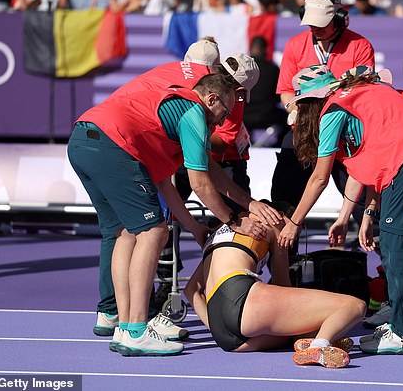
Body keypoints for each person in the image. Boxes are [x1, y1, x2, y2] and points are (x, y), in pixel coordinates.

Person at [68, 71, 281, 356]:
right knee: (154, 231)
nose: (222, 121)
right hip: (111, 143)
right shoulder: (193, 113)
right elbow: (201, 183)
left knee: (126, 233)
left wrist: (195, 226)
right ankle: (136, 330)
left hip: (82, 140)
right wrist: (233, 220)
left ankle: (125, 325)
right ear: (211, 98)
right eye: (223, 112)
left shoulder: (173, 118)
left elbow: (168, 183)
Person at [278, 65, 403, 355]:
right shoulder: (364, 94)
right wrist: (363, 216)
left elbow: (320, 177)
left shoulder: (333, 109)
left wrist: (295, 222)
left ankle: (402, 334)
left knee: (397, 249)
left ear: (310, 103)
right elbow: (372, 161)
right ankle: (402, 326)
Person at [183, 202, 365, 368]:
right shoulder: (275, 222)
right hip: (240, 293)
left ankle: (312, 339)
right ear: (281, 215)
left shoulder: (223, 229)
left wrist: (215, 325)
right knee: (354, 306)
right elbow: (282, 283)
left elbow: (191, 290)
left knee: (295, 331)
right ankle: (319, 345)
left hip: (225, 334)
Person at [272, 0, 374, 219]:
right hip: (304, 130)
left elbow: (363, 92)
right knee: (283, 197)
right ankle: (286, 253)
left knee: (359, 203)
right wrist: (293, 110)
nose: (315, 28)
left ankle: (381, 248)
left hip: (344, 134)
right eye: (310, 23)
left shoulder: (360, 46)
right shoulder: (295, 45)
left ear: (339, 18)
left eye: (322, 23)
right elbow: (286, 90)